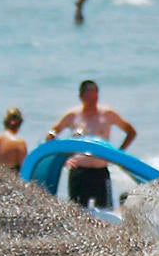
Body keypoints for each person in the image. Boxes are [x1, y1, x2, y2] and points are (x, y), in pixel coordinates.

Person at [46, 79, 137, 209]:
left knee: (105, 211)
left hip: (100, 172)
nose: (92, 103)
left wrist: (118, 154)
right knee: (77, 213)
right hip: (78, 171)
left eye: (95, 98)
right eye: (89, 99)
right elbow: (51, 135)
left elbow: (131, 132)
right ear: (81, 97)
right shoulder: (73, 116)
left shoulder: (107, 114)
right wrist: (63, 159)